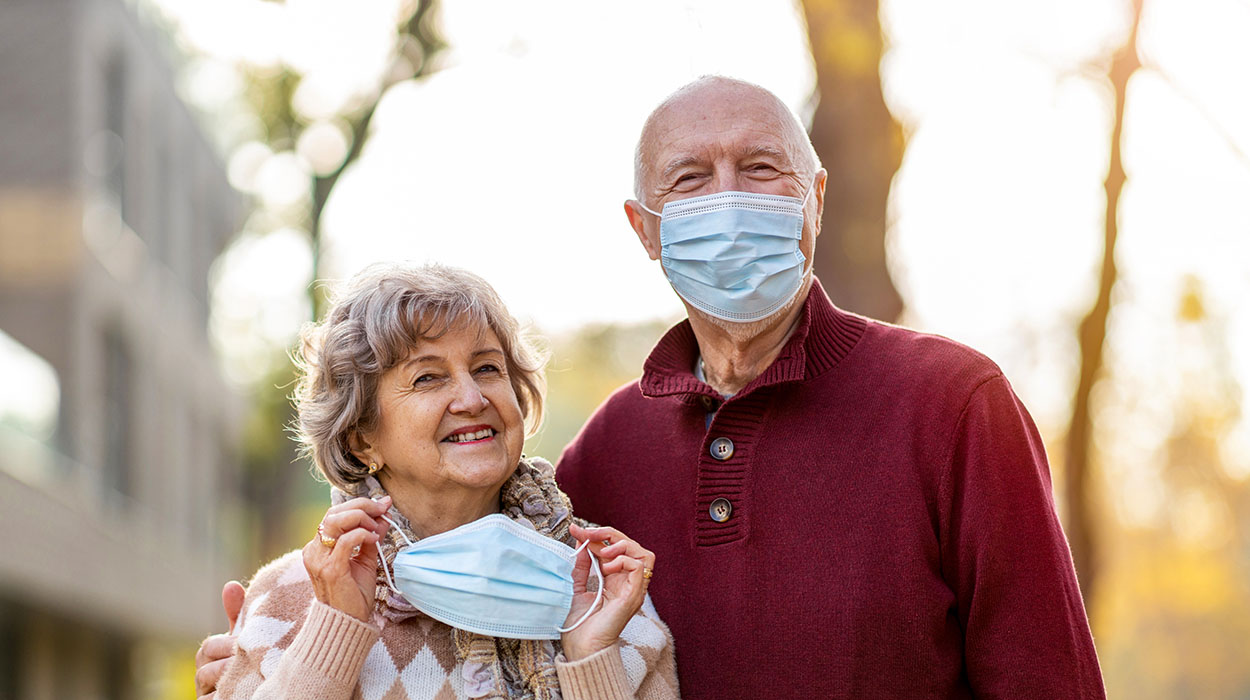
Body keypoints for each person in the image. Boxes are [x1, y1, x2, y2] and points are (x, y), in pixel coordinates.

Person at [201, 75, 1105, 698]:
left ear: (816, 199)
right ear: (645, 228)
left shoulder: (953, 404)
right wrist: (267, 657)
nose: (730, 202)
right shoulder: (605, 455)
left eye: (760, 168)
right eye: (690, 180)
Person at [204, 263, 678, 700]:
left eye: (488, 368)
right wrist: (335, 627)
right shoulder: (283, 601)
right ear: (361, 438)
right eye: (428, 378)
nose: (472, 398)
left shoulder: (612, 597)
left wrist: (592, 658)